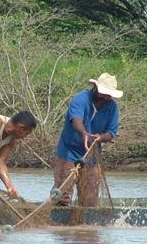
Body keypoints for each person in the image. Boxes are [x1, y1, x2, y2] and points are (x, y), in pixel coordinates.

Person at [52, 73, 122, 207]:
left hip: (91, 156)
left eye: (109, 95)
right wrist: (84, 133)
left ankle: (84, 226)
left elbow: (111, 132)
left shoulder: (112, 107)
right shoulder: (80, 99)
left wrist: (101, 137)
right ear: (95, 88)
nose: (106, 97)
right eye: (104, 93)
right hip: (69, 152)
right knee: (62, 195)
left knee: (89, 199)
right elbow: (76, 120)